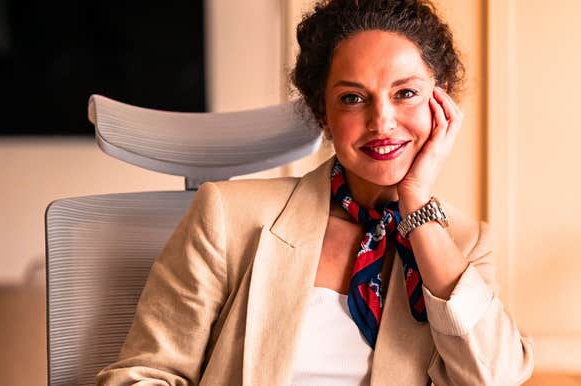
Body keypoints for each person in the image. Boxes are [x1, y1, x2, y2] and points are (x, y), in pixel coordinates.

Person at [96, 0, 533, 385]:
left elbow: (494, 378)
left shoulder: (463, 243)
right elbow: (143, 376)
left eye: (406, 93)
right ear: (323, 114)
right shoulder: (228, 216)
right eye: (353, 98)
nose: (382, 122)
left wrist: (415, 200)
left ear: (442, 103)